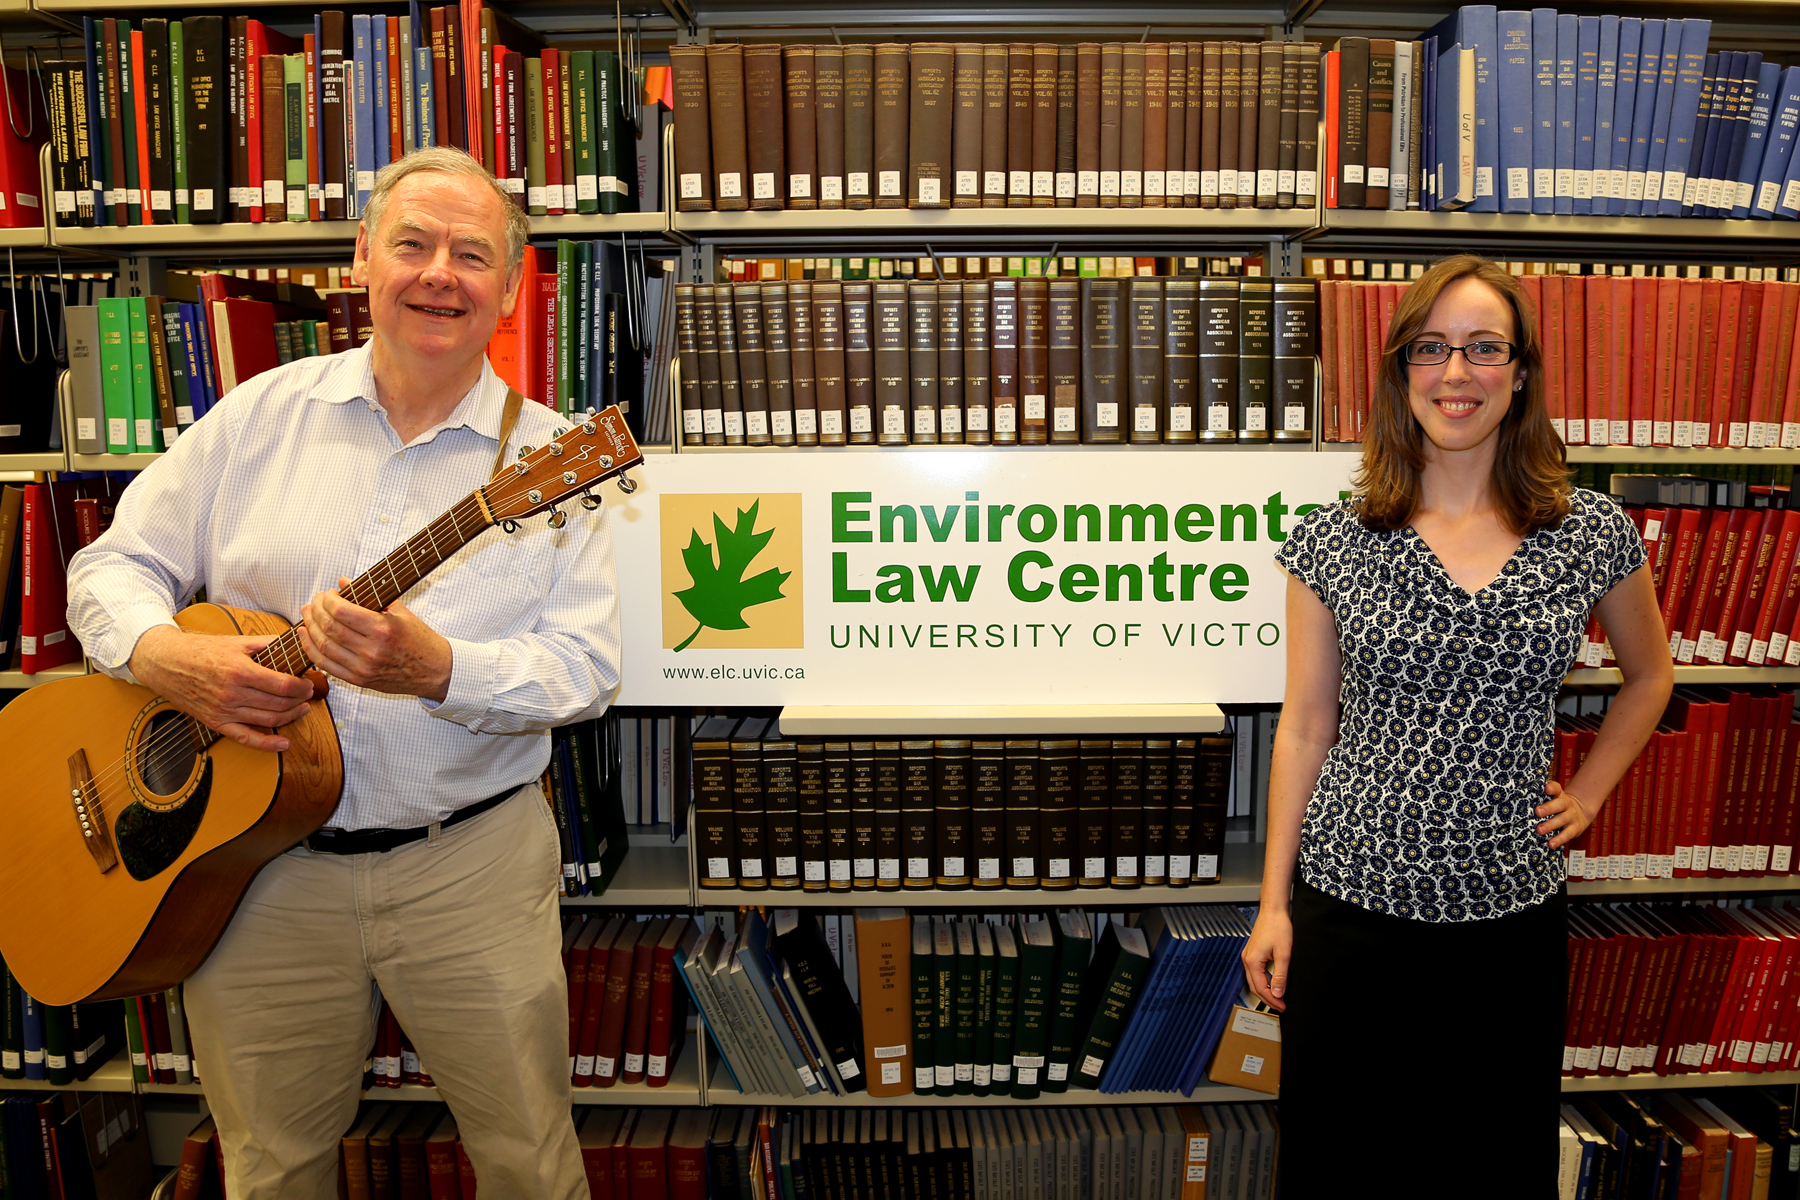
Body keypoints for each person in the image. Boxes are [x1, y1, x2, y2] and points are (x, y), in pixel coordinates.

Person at [66, 147, 617, 1199]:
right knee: (269, 1166)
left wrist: (439, 669)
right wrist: (164, 657)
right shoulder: (256, 419)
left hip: (468, 868)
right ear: (362, 258)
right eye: (412, 244)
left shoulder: (551, 462)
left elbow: (584, 671)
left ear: (510, 290)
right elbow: (112, 565)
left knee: (531, 1165)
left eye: (471, 255)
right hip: (252, 871)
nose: (439, 273)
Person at [1242, 254, 1672, 1197]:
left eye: (1484, 347)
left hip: (1508, 919)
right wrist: (1273, 905)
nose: (1456, 372)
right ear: (1402, 372)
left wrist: (1590, 794)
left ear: (1521, 372)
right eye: (1431, 348)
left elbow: (1650, 677)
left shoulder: (1589, 531)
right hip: (1351, 906)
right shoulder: (1336, 538)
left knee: (1488, 1165)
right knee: (1343, 1166)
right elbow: (1305, 726)